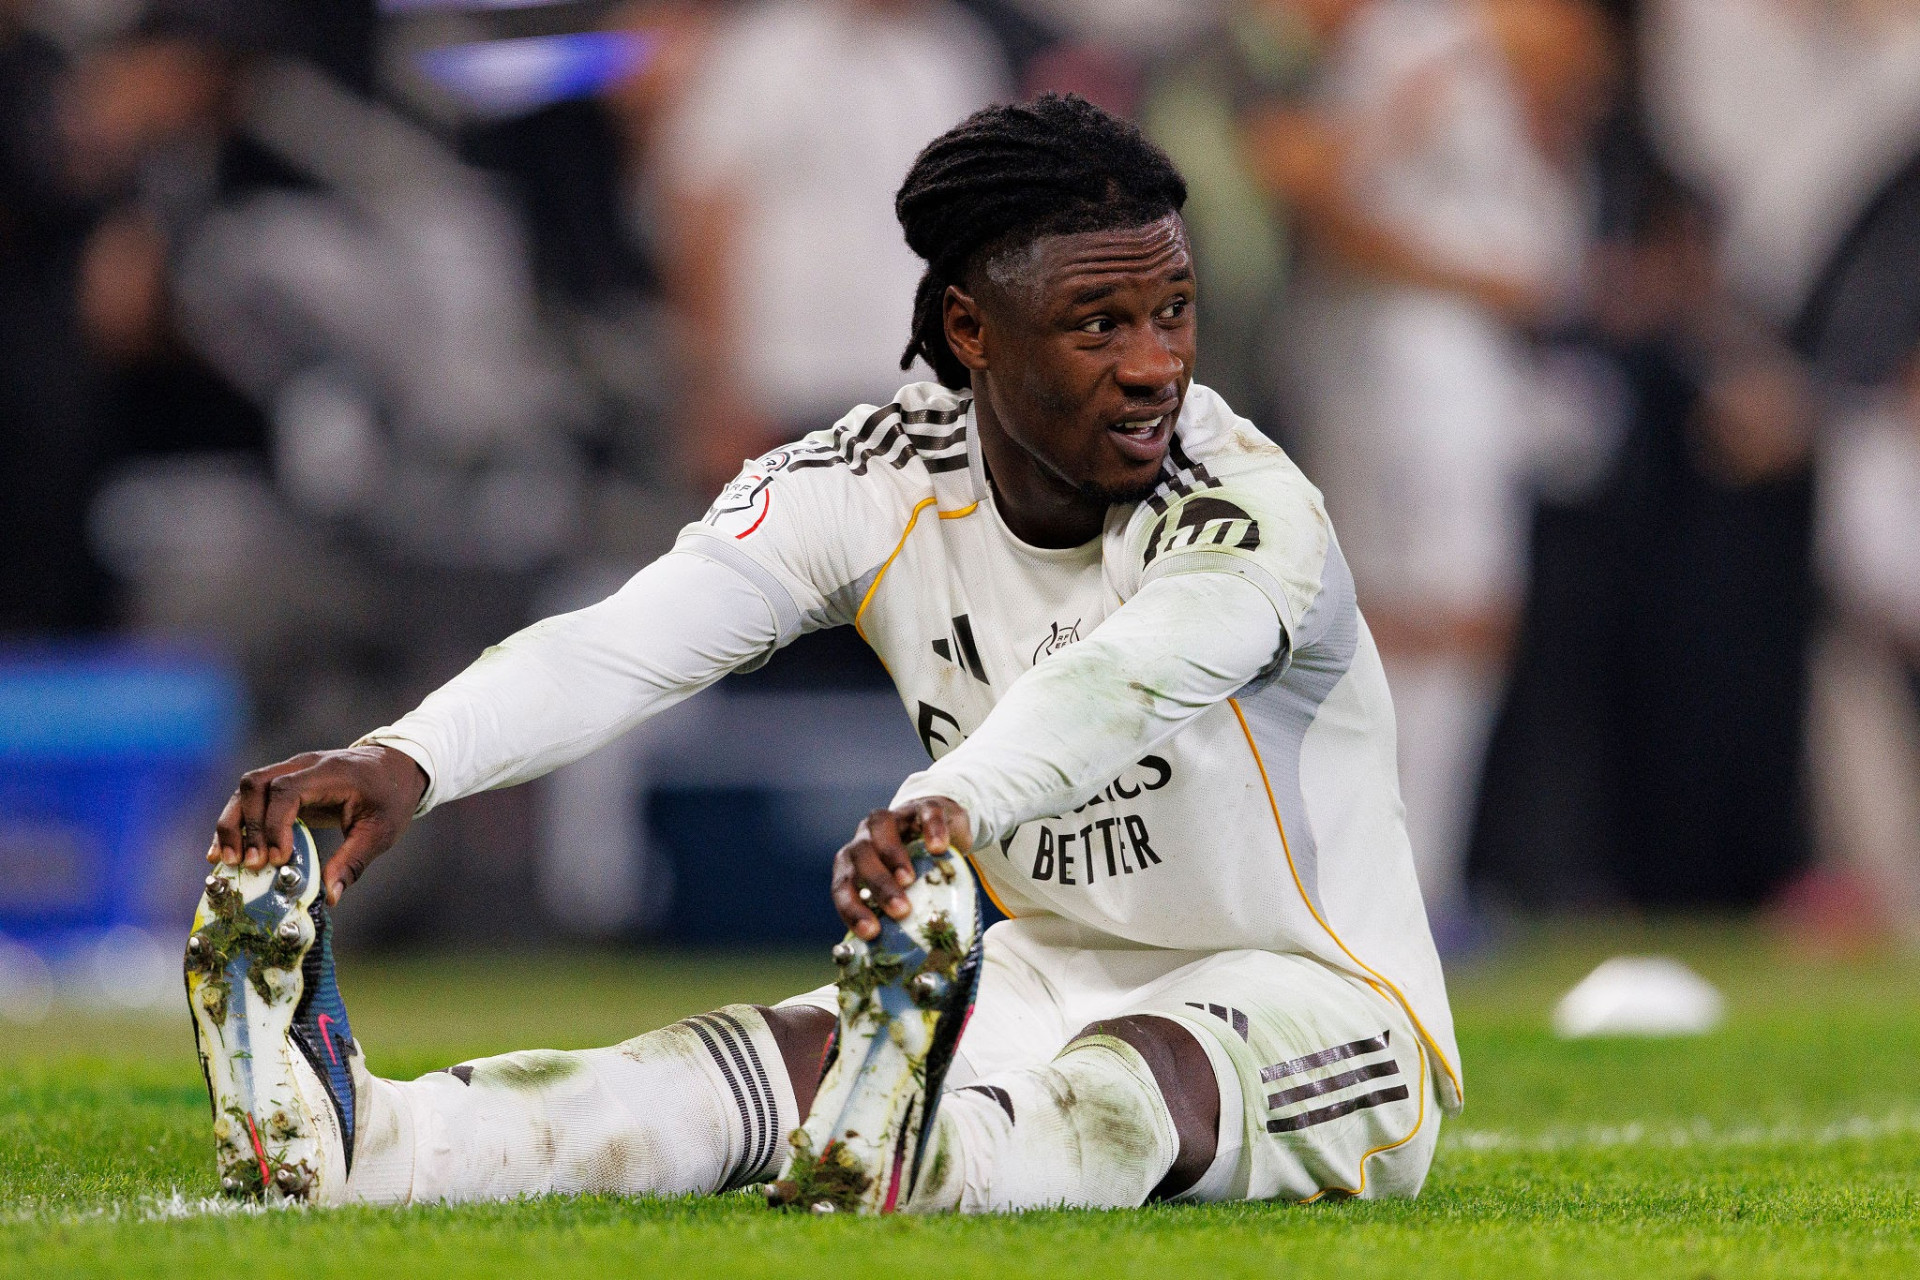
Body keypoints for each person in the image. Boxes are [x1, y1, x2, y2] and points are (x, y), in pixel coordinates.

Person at [188, 95, 1460, 1213]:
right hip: (1041, 964)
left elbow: (1115, 686)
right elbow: (634, 638)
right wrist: (411, 755)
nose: (1153, 366)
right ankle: (379, 1138)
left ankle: (931, 1156)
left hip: (1318, 1002)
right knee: (766, 1063)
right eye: (1098, 324)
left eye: (1173, 311)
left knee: (1129, 1084)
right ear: (971, 329)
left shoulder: (1247, 506)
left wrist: (943, 808)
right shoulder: (874, 479)